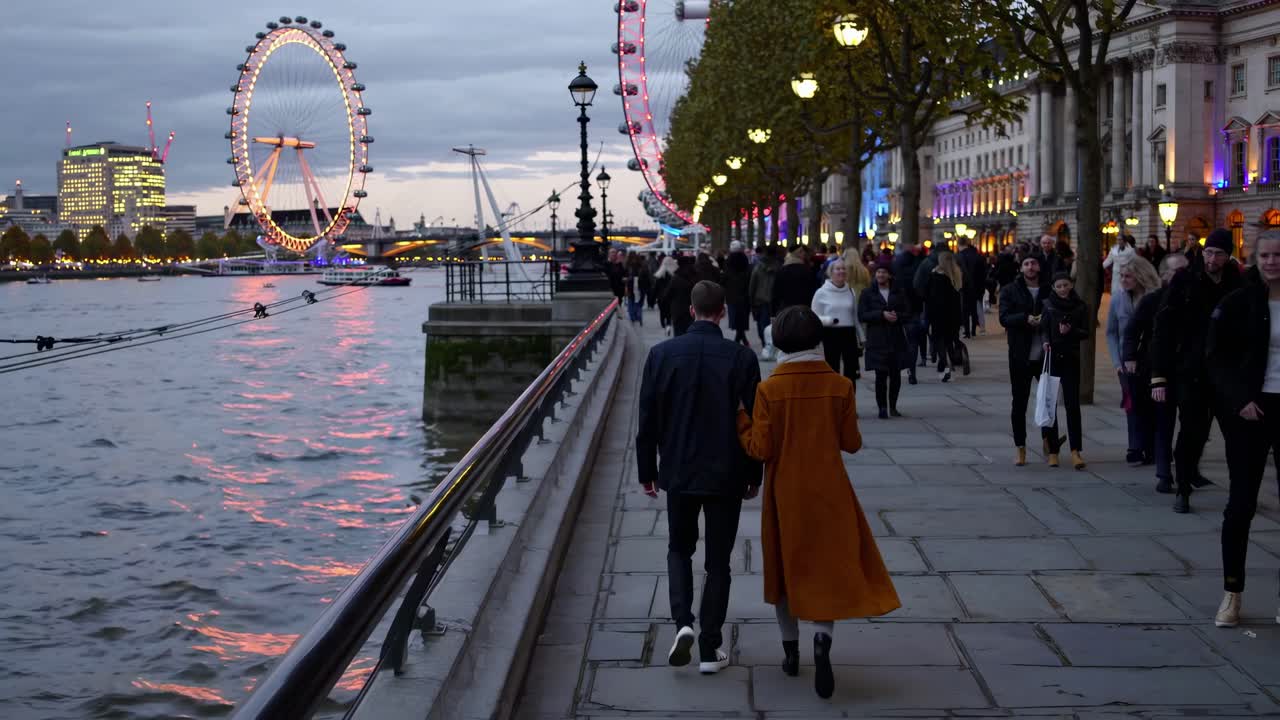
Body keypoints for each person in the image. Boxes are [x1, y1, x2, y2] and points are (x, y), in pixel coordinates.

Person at [736, 306, 900, 699]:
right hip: (830, 489)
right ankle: (822, 639)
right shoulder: (840, 385)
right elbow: (852, 443)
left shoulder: (769, 390)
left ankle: (790, 651)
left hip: (785, 492)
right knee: (826, 568)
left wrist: (741, 421)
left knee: (785, 571)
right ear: (817, 341)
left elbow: (761, 448)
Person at [637, 281, 762, 675]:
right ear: (722, 312)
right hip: (726, 469)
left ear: (691, 311)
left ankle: (683, 624)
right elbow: (755, 421)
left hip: (679, 467)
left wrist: (647, 471)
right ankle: (710, 647)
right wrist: (753, 473)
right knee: (719, 562)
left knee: (679, 548)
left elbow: (648, 420)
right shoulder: (741, 358)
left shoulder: (661, 354)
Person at [1206, 230, 1280, 628]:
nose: (1272, 262)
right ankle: (1232, 593)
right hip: (1252, 409)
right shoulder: (1239, 301)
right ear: (1255, 258)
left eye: (1278, 255)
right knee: (1241, 505)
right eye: (1265, 255)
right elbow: (1216, 357)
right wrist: (1239, 400)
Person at [1152, 228, 1244, 513]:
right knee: (1191, 431)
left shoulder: (1238, 284)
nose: (1212, 258)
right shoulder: (1185, 280)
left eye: (1218, 253)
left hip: (1228, 373)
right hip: (1192, 370)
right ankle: (1183, 487)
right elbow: (1163, 328)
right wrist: (1159, 375)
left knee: (1237, 436)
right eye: (1208, 252)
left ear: (1228, 256)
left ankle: (1240, 491)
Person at [1125, 254, 1190, 493]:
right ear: (1164, 275)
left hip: (1188, 370)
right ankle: (1164, 472)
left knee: (1192, 424)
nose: (1184, 275)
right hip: (1158, 369)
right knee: (1163, 422)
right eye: (1177, 271)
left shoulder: (1195, 299)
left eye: (1186, 269)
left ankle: (1188, 468)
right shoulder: (1152, 301)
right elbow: (1132, 331)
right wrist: (1130, 357)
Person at [1106, 255, 1161, 465]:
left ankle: (1153, 447)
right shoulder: (1118, 298)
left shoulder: (1154, 297)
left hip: (1150, 359)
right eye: (1121, 275)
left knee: (1152, 404)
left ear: (1140, 276)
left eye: (1128, 276)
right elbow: (1111, 332)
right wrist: (1116, 362)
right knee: (1132, 404)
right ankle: (1135, 446)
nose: (1123, 279)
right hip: (1125, 361)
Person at [999, 255, 1052, 466]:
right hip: (1020, 355)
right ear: (1021, 268)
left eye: (1034, 263)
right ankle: (1020, 447)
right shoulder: (1010, 290)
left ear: (1039, 267)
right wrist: (1024, 318)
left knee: (1047, 402)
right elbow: (1004, 317)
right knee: (1019, 403)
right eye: (1027, 263)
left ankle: (1049, 442)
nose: (1031, 267)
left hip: (1044, 355)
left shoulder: (1048, 289)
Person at [1041, 271, 1089, 469]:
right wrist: (1045, 342)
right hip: (1053, 357)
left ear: (1071, 285)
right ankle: (1053, 451)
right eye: (1058, 286)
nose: (1062, 289)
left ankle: (1075, 450)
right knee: (1050, 406)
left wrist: (1072, 331)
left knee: (1072, 406)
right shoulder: (1048, 305)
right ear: (1053, 287)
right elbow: (1043, 328)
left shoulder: (1079, 306)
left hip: (1071, 357)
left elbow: (1086, 331)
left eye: (1065, 285)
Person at [860, 265, 913, 418]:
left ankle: (893, 406)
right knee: (880, 375)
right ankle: (882, 407)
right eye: (878, 272)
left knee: (896, 375)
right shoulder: (867, 293)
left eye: (883, 272)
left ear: (889, 275)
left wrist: (898, 317)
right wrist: (881, 315)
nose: (880, 275)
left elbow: (908, 313)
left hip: (896, 338)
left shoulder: (899, 292)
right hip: (877, 339)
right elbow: (862, 314)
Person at [811, 258, 861, 383]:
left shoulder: (850, 291)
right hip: (830, 334)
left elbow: (855, 316)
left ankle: (849, 397)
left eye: (843, 268)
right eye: (838, 269)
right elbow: (814, 317)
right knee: (832, 369)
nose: (841, 271)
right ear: (831, 272)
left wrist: (862, 337)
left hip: (849, 334)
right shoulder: (821, 292)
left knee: (851, 370)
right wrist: (829, 320)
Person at [926, 251, 964, 382]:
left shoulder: (935, 275)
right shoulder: (956, 274)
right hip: (953, 313)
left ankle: (945, 363)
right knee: (949, 340)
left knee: (939, 340)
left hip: (938, 313)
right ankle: (950, 361)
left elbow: (930, 296)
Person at [749, 245, 780, 358]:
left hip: (760, 300)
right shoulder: (779, 267)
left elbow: (752, 286)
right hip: (774, 301)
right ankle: (771, 346)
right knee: (774, 325)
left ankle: (765, 345)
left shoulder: (758, 267)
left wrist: (751, 301)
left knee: (762, 325)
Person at [772, 246, 819, 315]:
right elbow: (813, 291)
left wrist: (773, 312)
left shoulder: (782, 270)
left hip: (785, 310)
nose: (804, 254)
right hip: (804, 309)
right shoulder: (807, 270)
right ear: (797, 253)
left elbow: (776, 292)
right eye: (802, 252)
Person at [722, 243, 752, 347]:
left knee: (735, 318)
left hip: (732, 295)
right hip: (744, 295)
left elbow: (724, 279)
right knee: (742, 319)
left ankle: (739, 340)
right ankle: (742, 339)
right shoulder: (745, 262)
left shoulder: (728, 263)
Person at [957, 235, 986, 338]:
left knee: (965, 310)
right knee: (974, 309)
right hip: (977, 286)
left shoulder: (959, 256)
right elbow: (983, 273)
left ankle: (967, 331)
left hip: (964, 286)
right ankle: (973, 330)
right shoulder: (977, 255)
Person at [662, 257, 697, 337]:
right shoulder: (695, 276)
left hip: (678, 311)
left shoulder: (676, 278)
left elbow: (667, 295)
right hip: (693, 311)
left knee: (679, 336)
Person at [623, 253, 650, 325]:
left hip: (636, 287)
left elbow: (646, 277)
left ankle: (636, 318)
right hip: (635, 288)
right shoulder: (641, 266)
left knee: (634, 304)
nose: (633, 260)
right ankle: (636, 318)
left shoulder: (629, 266)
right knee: (635, 304)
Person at [652, 256, 677, 332]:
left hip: (661, 296)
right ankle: (668, 323)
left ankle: (663, 323)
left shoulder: (660, 273)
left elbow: (656, 287)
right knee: (669, 310)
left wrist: (653, 297)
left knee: (662, 311)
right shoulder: (674, 273)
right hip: (670, 296)